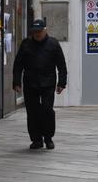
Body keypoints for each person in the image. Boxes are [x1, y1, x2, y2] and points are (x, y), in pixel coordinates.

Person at [13, 20, 67, 149]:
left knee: (47, 110)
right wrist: (16, 82)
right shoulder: (26, 44)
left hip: (48, 83)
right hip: (30, 82)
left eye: (39, 31)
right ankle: (36, 139)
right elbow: (18, 65)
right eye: (34, 32)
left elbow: (61, 65)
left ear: (45, 30)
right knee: (32, 112)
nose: (37, 34)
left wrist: (62, 83)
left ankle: (48, 138)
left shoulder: (53, 44)